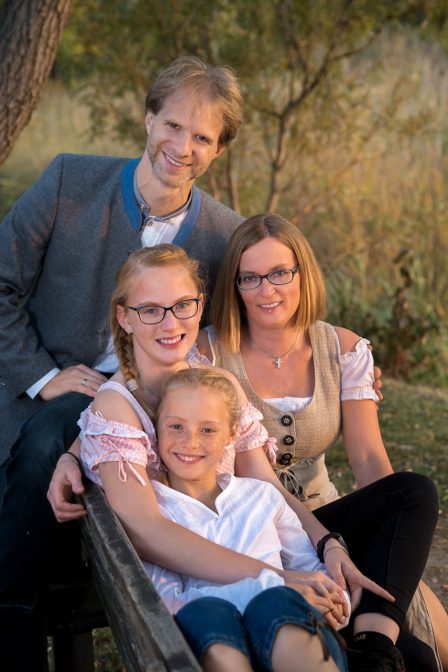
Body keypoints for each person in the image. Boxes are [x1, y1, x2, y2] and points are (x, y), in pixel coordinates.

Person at [56, 244, 437, 672]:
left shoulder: (215, 383)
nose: (170, 322)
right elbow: (147, 530)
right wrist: (275, 577)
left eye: (183, 305)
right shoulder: (118, 407)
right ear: (124, 317)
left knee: (410, 504)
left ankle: (372, 641)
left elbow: (266, 487)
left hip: (258, 549)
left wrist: (325, 544)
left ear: (200, 306)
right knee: (411, 654)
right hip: (199, 593)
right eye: (151, 310)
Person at [0, 56, 245, 671]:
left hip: (143, 408)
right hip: (44, 394)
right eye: (173, 126)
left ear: (217, 151)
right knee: (41, 443)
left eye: (202, 137)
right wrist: (44, 375)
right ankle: (16, 627)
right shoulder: (67, 183)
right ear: (148, 117)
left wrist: (344, 354)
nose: (182, 147)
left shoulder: (222, 235)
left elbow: (259, 319)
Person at [206, 212, 447, 670]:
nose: (267, 290)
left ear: (302, 273)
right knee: (414, 651)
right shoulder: (209, 353)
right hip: (257, 532)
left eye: (280, 273)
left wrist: (388, 532)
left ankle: (375, 648)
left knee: (413, 493)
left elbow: (369, 458)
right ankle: (375, 647)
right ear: (234, 286)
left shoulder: (343, 349)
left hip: (329, 516)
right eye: (250, 278)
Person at [102, 367, 351, 672]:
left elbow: (311, 574)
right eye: (176, 426)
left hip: (292, 639)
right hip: (214, 644)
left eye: (208, 429)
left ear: (232, 433)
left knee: (273, 606)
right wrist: (269, 584)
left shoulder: (261, 497)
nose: (190, 442)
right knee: (207, 611)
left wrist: (334, 601)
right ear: (156, 430)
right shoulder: (156, 513)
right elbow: (165, 603)